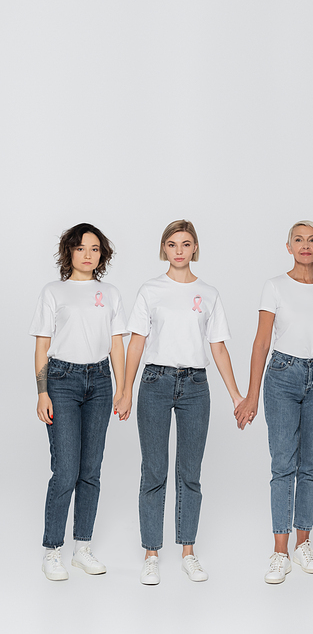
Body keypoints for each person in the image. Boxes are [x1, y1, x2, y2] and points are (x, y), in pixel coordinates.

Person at [235, 221, 313, 583]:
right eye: (298, 240)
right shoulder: (274, 287)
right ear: (288, 246)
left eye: (312, 240)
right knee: (283, 462)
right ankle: (279, 551)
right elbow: (260, 342)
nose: (305, 245)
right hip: (282, 376)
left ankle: (303, 542)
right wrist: (252, 394)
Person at [122, 219, 242, 585]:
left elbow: (218, 346)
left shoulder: (208, 294)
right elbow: (137, 342)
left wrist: (236, 394)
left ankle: (188, 551)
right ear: (164, 249)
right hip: (155, 382)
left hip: (195, 385)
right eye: (172, 243)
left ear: (194, 249)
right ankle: (151, 552)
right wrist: (125, 389)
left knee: (190, 473)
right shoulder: (150, 290)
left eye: (185, 244)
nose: (178, 250)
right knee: (154, 470)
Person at [30, 223, 128, 581]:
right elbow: (42, 346)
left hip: (100, 381)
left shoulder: (111, 293)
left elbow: (117, 343)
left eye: (95, 249)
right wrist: (42, 391)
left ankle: (81, 548)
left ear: (102, 255)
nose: (88, 255)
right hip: (62, 382)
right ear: (69, 251)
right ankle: (52, 550)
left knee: (91, 470)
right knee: (66, 469)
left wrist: (122, 388)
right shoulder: (54, 292)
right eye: (81, 248)